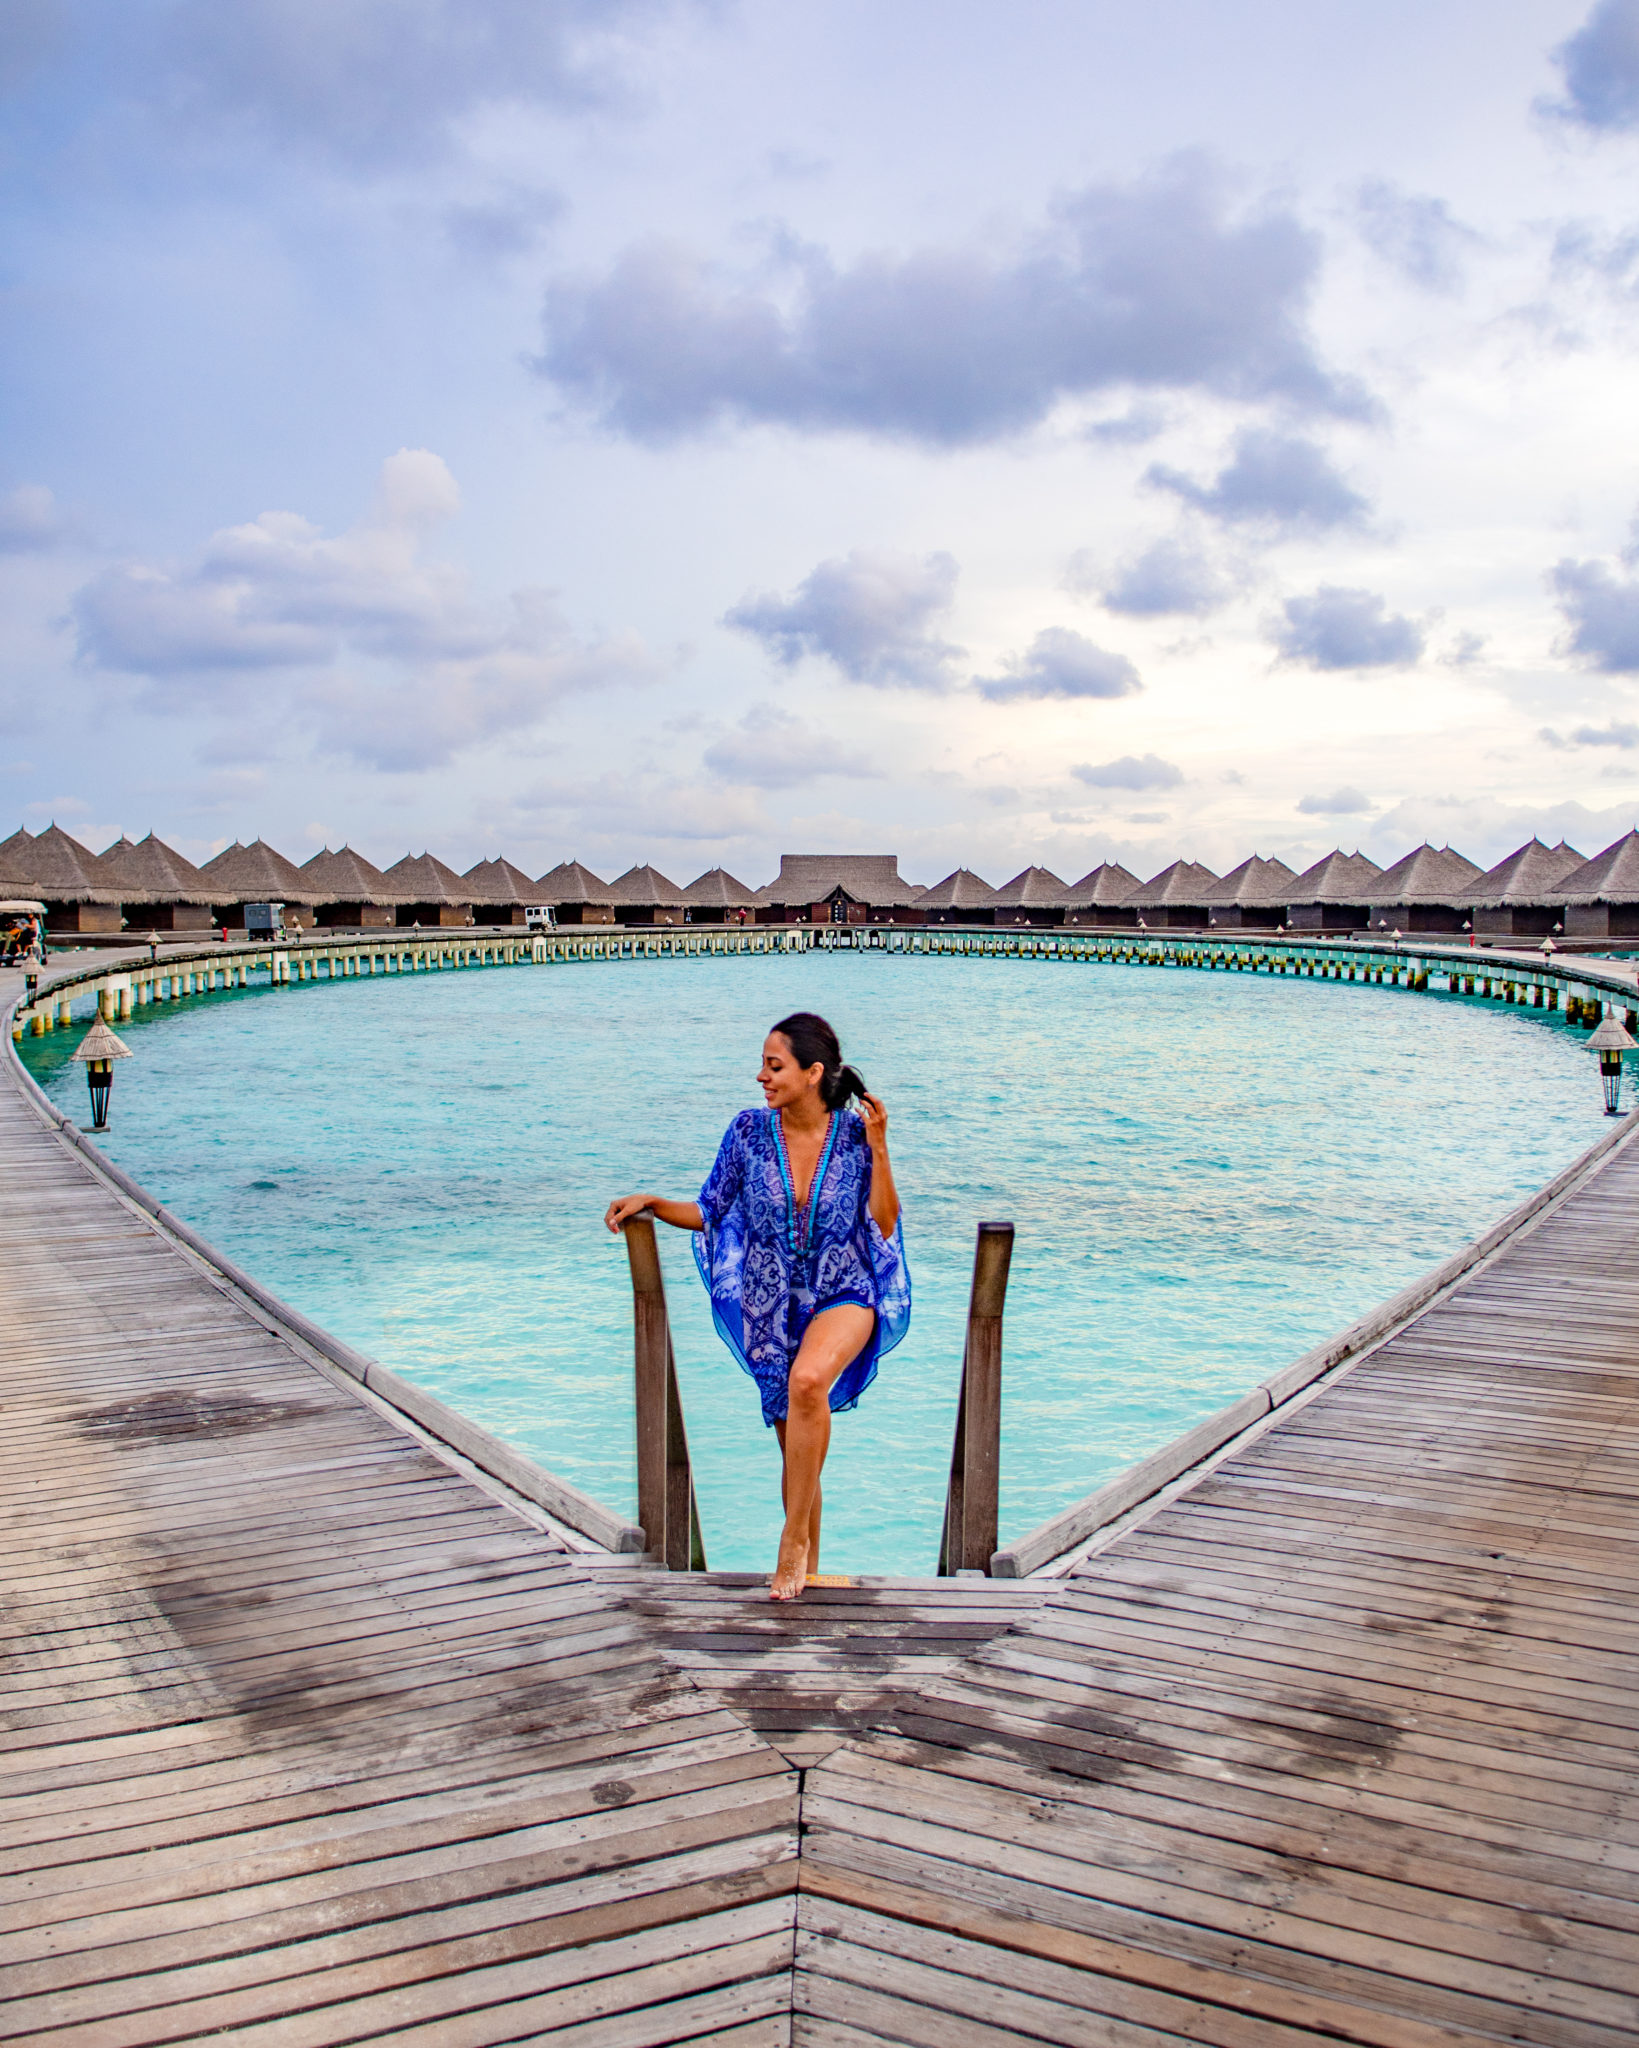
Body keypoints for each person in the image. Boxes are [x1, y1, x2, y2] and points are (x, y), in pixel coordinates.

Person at [604, 1011, 909, 1600]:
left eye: (774, 1066)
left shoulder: (852, 1136)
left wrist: (880, 1146)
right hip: (768, 1309)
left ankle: (790, 1545)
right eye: (763, 1066)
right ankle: (809, 1574)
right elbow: (710, 1209)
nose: (761, 1077)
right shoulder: (747, 1133)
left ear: (812, 1073)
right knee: (800, 1454)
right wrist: (652, 1202)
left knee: (810, 1380)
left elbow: (884, 1221)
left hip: (844, 1290)